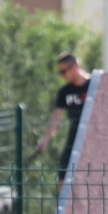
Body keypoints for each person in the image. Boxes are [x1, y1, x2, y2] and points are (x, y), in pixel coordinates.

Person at [38, 52, 91, 181]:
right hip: (74, 140)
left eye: (63, 71)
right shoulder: (65, 92)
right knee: (63, 177)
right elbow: (56, 117)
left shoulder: (95, 84)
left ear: (74, 68)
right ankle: (66, 202)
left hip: (95, 139)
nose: (61, 76)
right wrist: (46, 140)